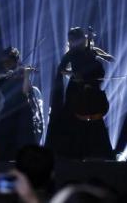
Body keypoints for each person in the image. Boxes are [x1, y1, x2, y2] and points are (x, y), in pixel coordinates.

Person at [46, 27, 113, 160]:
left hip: (92, 89)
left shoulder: (92, 50)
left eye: (74, 40)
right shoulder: (71, 53)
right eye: (71, 40)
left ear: (82, 39)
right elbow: (61, 70)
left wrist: (100, 54)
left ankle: (96, 152)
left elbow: (111, 59)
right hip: (76, 90)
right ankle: (72, 151)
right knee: (71, 117)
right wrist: (73, 73)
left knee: (95, 119)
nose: (72, 42)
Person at [0, 47, 36, 161]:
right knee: (4, 136)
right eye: (4, 61)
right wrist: (1, 75)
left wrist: (26, 75)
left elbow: (25, 91)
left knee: (23, 138)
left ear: (15, 61)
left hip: (22, 109)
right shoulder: (4, 74)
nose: (5, 63)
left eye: (8, 61)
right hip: (8, 108)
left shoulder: (22, 72)